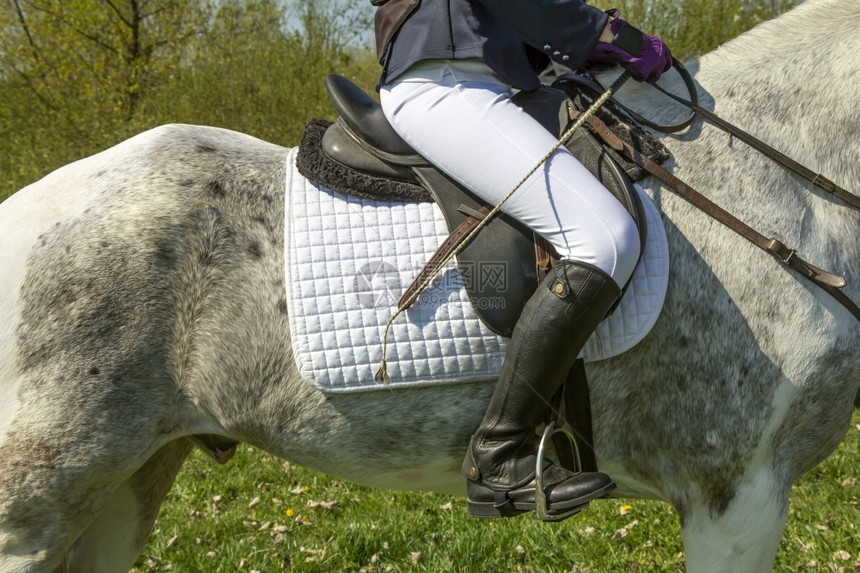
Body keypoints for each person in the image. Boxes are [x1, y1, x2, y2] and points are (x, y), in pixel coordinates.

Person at [371, 0, 671, 520]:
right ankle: (497, 453)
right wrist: (605, 33)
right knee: (605, 240)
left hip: (482, 79)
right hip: (447, 82)